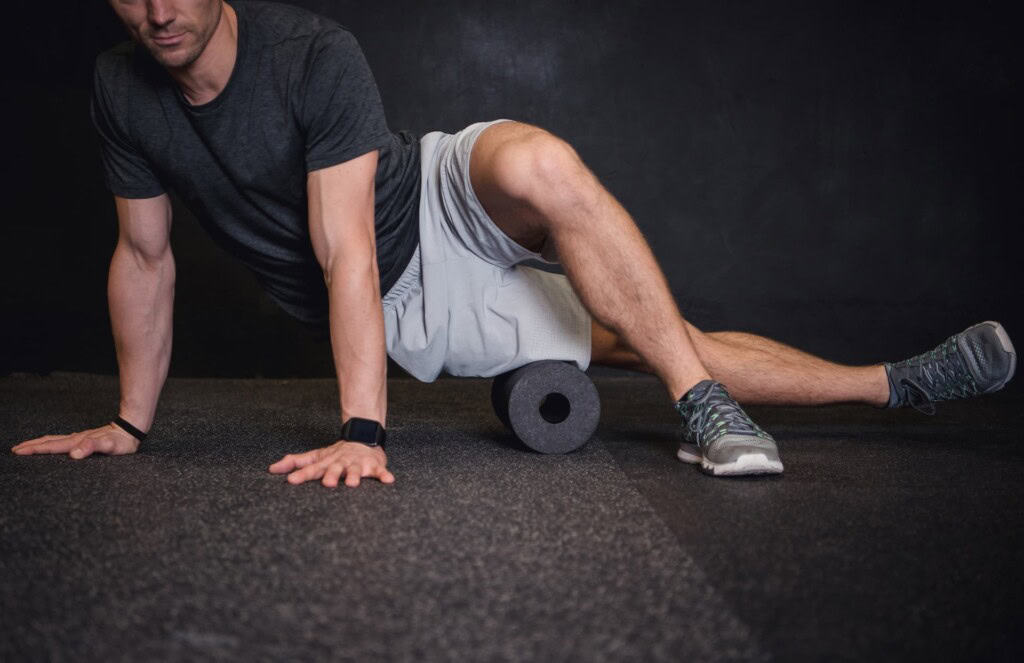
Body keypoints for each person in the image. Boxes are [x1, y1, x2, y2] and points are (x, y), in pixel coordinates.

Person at [11, 0, 1017, 483]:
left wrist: (361, 432)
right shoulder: (121, 91)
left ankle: (701, 409)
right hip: (416, 299)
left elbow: (344, 246)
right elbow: (145, 258)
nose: (159, 10)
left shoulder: (312, 57)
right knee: (662, 336)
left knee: (541, 164)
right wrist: (130, 425)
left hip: (431, 196)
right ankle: (896, 381)